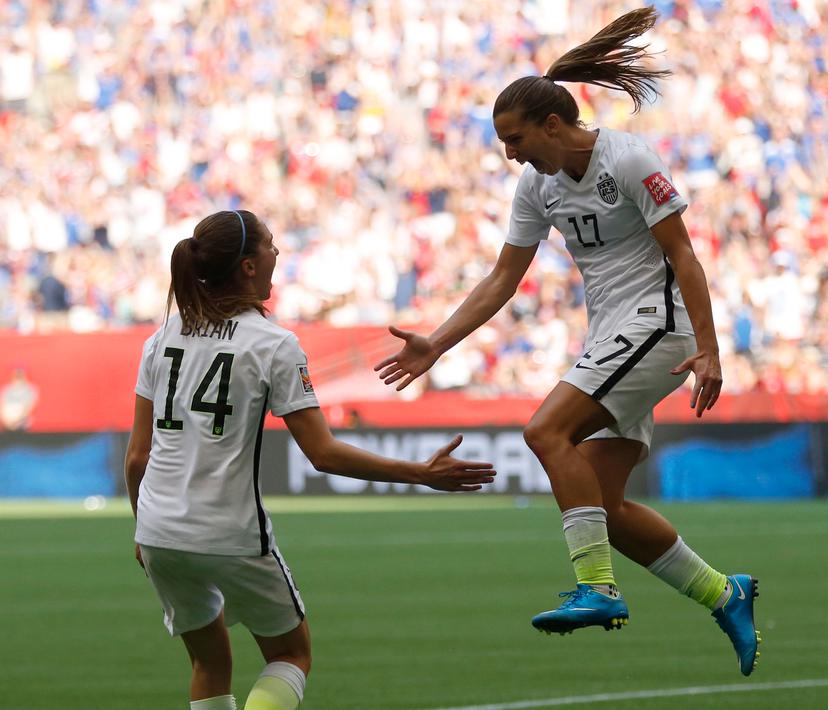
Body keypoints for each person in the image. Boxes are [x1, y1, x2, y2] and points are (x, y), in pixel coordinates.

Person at [375, 7, 760, 676]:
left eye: (515, 138)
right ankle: (723, 593)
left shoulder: (629, 159)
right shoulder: (537, 185)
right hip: (611, 334)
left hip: (658, 325)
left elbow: (684, 255)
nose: (510, 153)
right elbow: (502, 279)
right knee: (603, 507)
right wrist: (436, 344)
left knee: (545, 431)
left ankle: (598, 588)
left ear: (553, 125)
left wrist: (709, 346)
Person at [124, 210, 496, 710]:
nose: (277, 252)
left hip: (158, 530)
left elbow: (137, 457)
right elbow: (322, 453)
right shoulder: (272, 343)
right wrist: (420, 474)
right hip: (228, 530)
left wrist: (141, 528)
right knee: (290, 655)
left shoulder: (161, 339)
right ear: (249, 267)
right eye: (270, 245)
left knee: (209, 665)